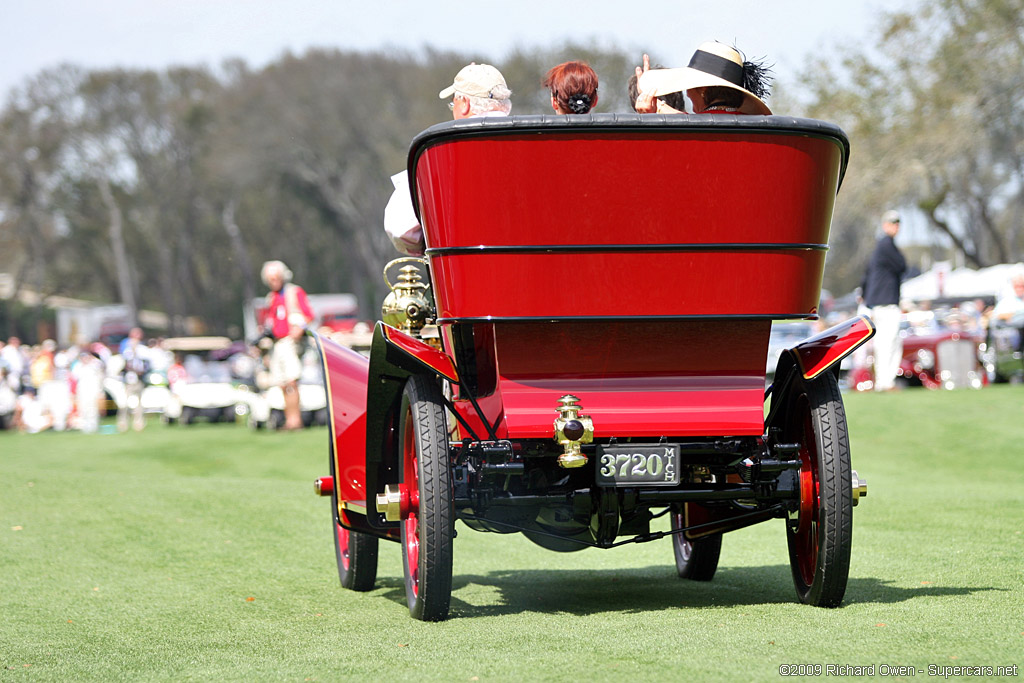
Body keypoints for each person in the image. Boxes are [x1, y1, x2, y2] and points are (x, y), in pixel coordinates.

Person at [384, 63, 512, 256]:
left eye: (453, 103)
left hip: (464, 275)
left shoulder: (443, 150)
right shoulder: (537, 143)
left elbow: (400, 228)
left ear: (465, 103)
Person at [634, 42, 773, 115]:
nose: (687, 93)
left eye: (689, 86)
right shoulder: (759, 133)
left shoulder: (693, 132)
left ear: (703, 89)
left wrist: (652, 106)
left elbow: (687, 122)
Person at [260, 260, 314, 431]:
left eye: (275, 277)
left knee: (291, 382)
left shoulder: (294, 292)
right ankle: (289, 419)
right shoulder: (271, 298)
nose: (273, 281)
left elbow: (308, 315)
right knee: (282, 383)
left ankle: (295, 420)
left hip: (290, 341)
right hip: (276, 343)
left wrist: (299, 330)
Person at [861, 210, 907, 391]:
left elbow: (866, 275)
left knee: (887, 342)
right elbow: (902, 265)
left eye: (897, 223)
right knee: (888, 342)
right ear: (884, 225)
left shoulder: (881, 247)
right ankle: (885, 382)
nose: (896, 226)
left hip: (880, 302)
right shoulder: (886, 245)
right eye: (892, 223)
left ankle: (885, 381)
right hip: (885, 302)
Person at [117, 327, 149, 431]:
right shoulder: (126, 347)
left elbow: (145, 363)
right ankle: (123, 423)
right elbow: (125, 361)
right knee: (124, 402)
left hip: (138, 379)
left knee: (139, 403)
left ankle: (138, 423)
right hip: (128, 380)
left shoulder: (142, 348)